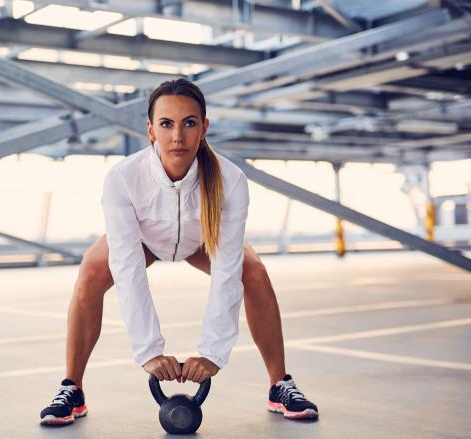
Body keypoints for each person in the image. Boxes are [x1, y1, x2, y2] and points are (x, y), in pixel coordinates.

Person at [39, 78, 318, 426]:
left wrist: (212, 353)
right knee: (91, 272)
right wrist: (149, 351)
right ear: (151, 130)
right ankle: (72, 388)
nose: (178, 136)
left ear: (204, 127)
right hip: (144, 240)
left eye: (189, 123)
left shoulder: (230, 181)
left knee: (254, 274)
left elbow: (227, 270)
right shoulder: (124, 178)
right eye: (166, 124)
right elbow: (127, 267)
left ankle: (280, 384)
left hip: (203, 240)